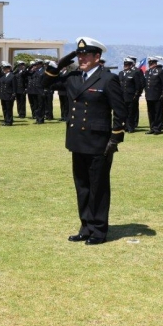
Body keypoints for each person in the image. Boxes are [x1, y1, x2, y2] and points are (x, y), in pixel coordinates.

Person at [42, 37, 127, 245]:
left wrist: (115, 139)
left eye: (86, 55)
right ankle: (85, 227)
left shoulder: (107, 79)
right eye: (79, 55)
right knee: (82, 186)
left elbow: (120, 110)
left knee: (98, 187)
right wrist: (64, 60)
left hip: (99, 142)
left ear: (97, 57)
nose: (82, 59)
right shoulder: (72, 77)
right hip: (77, 141)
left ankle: (99, 230)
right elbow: (44, 82)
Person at [118, 57, 143, 133]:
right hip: (122, 96)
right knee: (124, 112)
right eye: (125, 64)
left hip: (131, 96)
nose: (126, 65)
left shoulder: (134, 73)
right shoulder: (121, 73)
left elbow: (138, 86)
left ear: (131, 65)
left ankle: (131, 127)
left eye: (128, 64)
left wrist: (136, 95)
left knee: (131, 113)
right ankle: (124, 126)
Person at [144, 57, 163, 134]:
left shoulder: (160, 71)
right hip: (149, 95)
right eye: (150, 63)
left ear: (155, 63)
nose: (150, 65)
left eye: (152, 63)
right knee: (151, 112)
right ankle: (152, 127)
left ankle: (158, 128)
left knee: (158, 112)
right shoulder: (147, 72)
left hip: (157, 95)